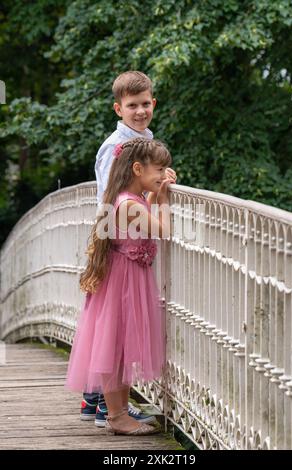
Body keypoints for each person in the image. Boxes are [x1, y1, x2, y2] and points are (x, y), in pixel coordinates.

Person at [81, 70, 176, 427]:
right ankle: (108, 408)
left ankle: (106, 405)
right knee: (111, 334)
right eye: (132, 105)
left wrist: (155, 182)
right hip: (118, 248)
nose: (140, 111)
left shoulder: (141, 139)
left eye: (145, 103)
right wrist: (158, 194)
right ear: (118, 108)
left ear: (154, 103)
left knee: (116, 333)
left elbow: (133, 192)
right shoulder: (116, 147)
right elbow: (114, 197)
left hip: (127, 249)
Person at [66, 137, 175, 435]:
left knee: (121, 348)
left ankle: (121, 412)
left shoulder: (131, 199)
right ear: (138, 169)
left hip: (125, 278)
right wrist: (163, 198)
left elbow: (145, 220)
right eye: (160, 168)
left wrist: (155, 193)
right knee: (115, 349)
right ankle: (116, 416)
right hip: (123, 281)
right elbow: (164, 230)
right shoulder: (129, 204)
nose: (165, 173)